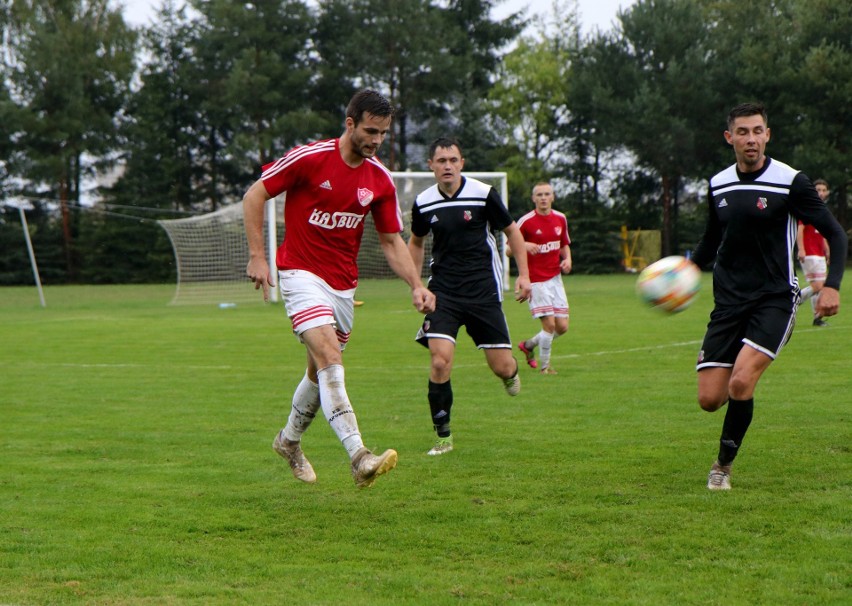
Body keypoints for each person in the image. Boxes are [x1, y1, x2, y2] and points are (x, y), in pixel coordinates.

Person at [243, 89, 435, 488]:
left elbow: (391, 240)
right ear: (349, 124)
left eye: (383, 133)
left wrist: (416, 284)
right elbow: (255, 194)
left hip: (343, 287)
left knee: (318, 371)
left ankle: (288, 442)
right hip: (299, 273)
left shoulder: (379, 179)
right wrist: (258, 256)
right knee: (330, 355)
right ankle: (359, 456)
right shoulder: (310, 158)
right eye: (370, 130)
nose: (377, 140)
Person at [690, 102, 846, 491]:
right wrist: (683, 269)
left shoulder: (790, 181)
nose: (751, 139)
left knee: (741, 383)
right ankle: (733, 389)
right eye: (742, 132)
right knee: (710, 399)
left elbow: (837, 234)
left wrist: (832, 286)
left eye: (758, 131)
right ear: (730, 138)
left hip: (774, 299)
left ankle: (722, 466)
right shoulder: (718, 184)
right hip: (727, 302)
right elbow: (712, 241)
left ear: (767, 135)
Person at [407, 137, 532, 456]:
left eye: (453, 159)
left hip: (482, 293)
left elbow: (513, 232)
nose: (447, 165)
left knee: (502, 367)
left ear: (462, 163)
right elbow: (417, 242)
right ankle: (443, 437)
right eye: (441, 161)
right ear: (431, 166)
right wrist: (417, 286)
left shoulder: (483, 194)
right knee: (439, 361)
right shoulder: (423, 202)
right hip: (443, 293)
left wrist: (525, 276)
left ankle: (512, 372)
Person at [508, 182, 572, 375]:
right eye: (539, 195)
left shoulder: (560, 218)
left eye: (547, 194)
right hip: (535, 281)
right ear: (533, 199)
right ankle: (545, 368)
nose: (543, 198)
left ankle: (528, 345)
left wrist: (567, 259)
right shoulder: (525, 221)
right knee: (549, 325)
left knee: (562, 327)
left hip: (555, 279)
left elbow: (563, 244)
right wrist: (525, 245)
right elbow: (508, 250)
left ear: (553, 197)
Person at [796, 179, 832, 326]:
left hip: (819, 253)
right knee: (818, 285)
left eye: (824, 190)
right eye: (818, 190)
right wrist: (801, 248)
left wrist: (827, 250)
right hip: (810, 252)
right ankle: (794, 300)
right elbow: (800, 228)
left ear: (827, 192)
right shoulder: (808, 207)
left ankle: (817, 318)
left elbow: (821, 232)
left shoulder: (822, 209)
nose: (821, 193)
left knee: (818, 287)